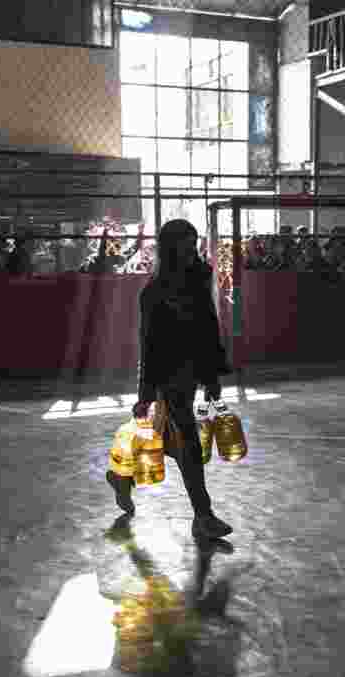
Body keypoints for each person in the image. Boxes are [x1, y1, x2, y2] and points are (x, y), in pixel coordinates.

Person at [108, 219, 234, 540]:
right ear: (170, 248)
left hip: (192, 371)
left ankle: (123, 478)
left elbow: (209, 329)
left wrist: (212, 377)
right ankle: (203, 515)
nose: (192, 251)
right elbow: (149, 344)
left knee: (171, 444)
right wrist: (145, 392)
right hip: (169, 376)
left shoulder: (199, 280)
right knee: (188, 443)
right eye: (185, 245)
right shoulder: (153, 293)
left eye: (194, 244)